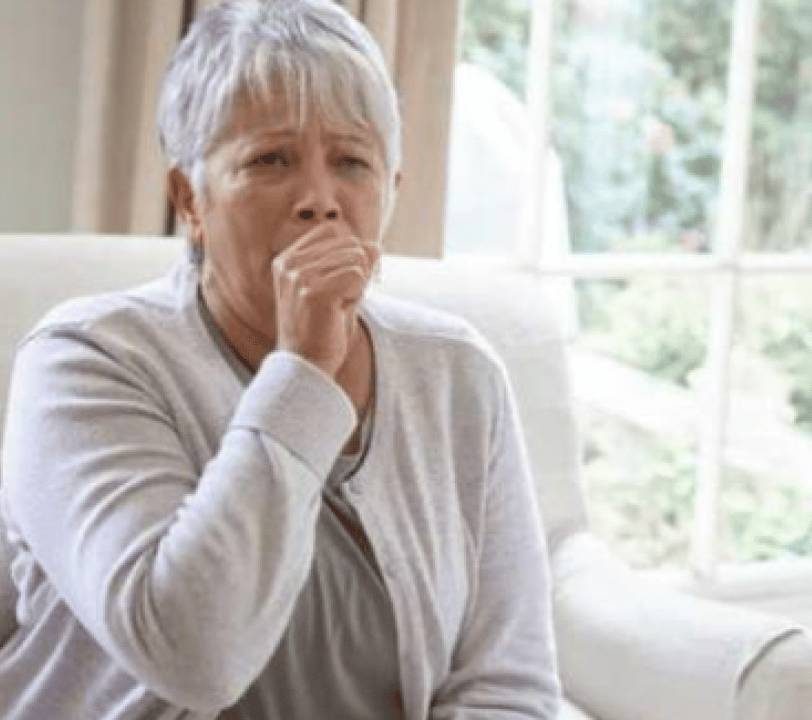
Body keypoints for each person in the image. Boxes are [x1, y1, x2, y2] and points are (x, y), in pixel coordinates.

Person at [0, 0, 559, 717]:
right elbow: (192, 654)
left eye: (353, 163)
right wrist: (303, 369)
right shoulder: (83, 363)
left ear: (391, 194)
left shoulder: (458, 374)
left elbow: (508, 682)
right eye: (271, 160)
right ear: (188, 199)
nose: (319, 202)